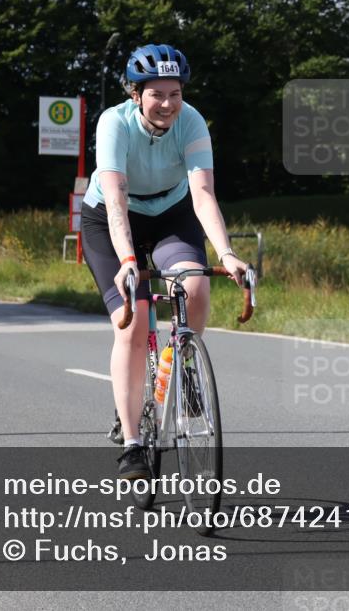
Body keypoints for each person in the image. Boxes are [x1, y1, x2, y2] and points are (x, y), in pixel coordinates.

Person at [79, 43, 249, 479]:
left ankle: (182, 364)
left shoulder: (191, 122)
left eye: (175, 93)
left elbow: (203, 194)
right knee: (135, 322)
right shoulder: (114, 123)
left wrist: (227, 254)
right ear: (136, 94)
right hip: (112, 219)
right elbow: (115, 197)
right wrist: (128, 258)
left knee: (194, 286)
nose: (169, 104)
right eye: (157, 94)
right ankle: (133, 442)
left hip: (171, 213)